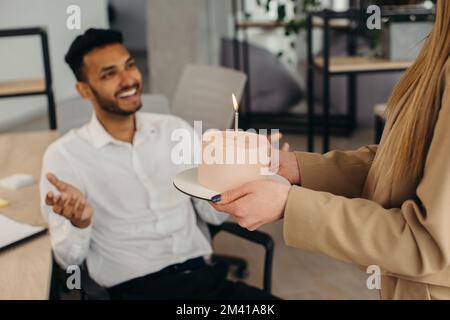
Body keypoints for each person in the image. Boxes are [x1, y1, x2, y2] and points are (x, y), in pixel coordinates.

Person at [211, 1, 450, 300]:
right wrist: (296, 167)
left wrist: (290, 204)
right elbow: (406, 162)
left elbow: (429, 243)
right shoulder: (439, 45)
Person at [40, 28, 276, 300]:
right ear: (84, 90)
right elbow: (68, 261)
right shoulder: (64, 156)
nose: (128, 79)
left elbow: (212, 214)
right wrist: (79, 224)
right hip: (138, 290)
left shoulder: (174, 130)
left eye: (129, 65)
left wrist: (241, 175)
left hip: (205, 279)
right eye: (109, 74)